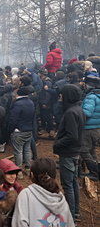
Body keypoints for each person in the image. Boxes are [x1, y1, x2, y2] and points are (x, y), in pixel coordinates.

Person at [53, 84, 85, 221]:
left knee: (68, 185)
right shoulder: (78, 110)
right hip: (74, 151)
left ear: (68, 96)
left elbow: (72, 135)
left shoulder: (71, 112)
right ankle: (75, 213)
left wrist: (57, 143)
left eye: (62, 93)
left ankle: (70, 217)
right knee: (73, 183)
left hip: (68, 153)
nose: (60, 96)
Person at [12, 158, 74, 227]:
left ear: (31, 175)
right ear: (54, 176)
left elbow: (19, 223)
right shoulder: (60, 199)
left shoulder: (26, 195)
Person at [8, 86, 35, 179]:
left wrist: (10, 130)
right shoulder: (31, 103)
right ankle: (28, 168)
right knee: (27, 149)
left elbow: (13, 118)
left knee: (18, 151)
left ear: (18, 94)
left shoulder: (18, 104)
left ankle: (19, 170)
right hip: (29, 129)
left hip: (19, 131)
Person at [79, 76, 100, 181]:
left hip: (88, 128)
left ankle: (94, 172)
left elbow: (87, 112)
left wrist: (78, 112)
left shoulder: (91, 97)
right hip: (97, 128)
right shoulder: (98, 96)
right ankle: (97, 170)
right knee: (91, 150)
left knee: (83, 150)